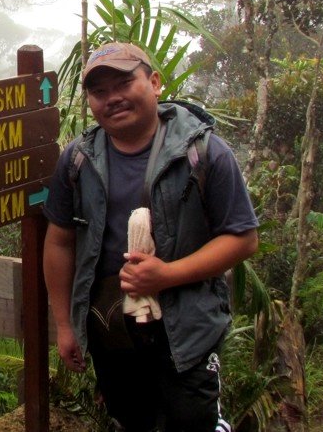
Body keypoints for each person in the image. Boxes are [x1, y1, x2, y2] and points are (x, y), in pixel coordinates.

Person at [43, 42, 259, 432]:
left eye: (124, 83)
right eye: (99, 91)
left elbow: (242, 238)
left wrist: (167, 275)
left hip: (188, 329)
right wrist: (65, 324)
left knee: (192, 421)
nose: (113, 98)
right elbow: (59, 240)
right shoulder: (78, 159)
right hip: (111, 329)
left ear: (155, 83)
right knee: (131, 419)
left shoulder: (204, 151)